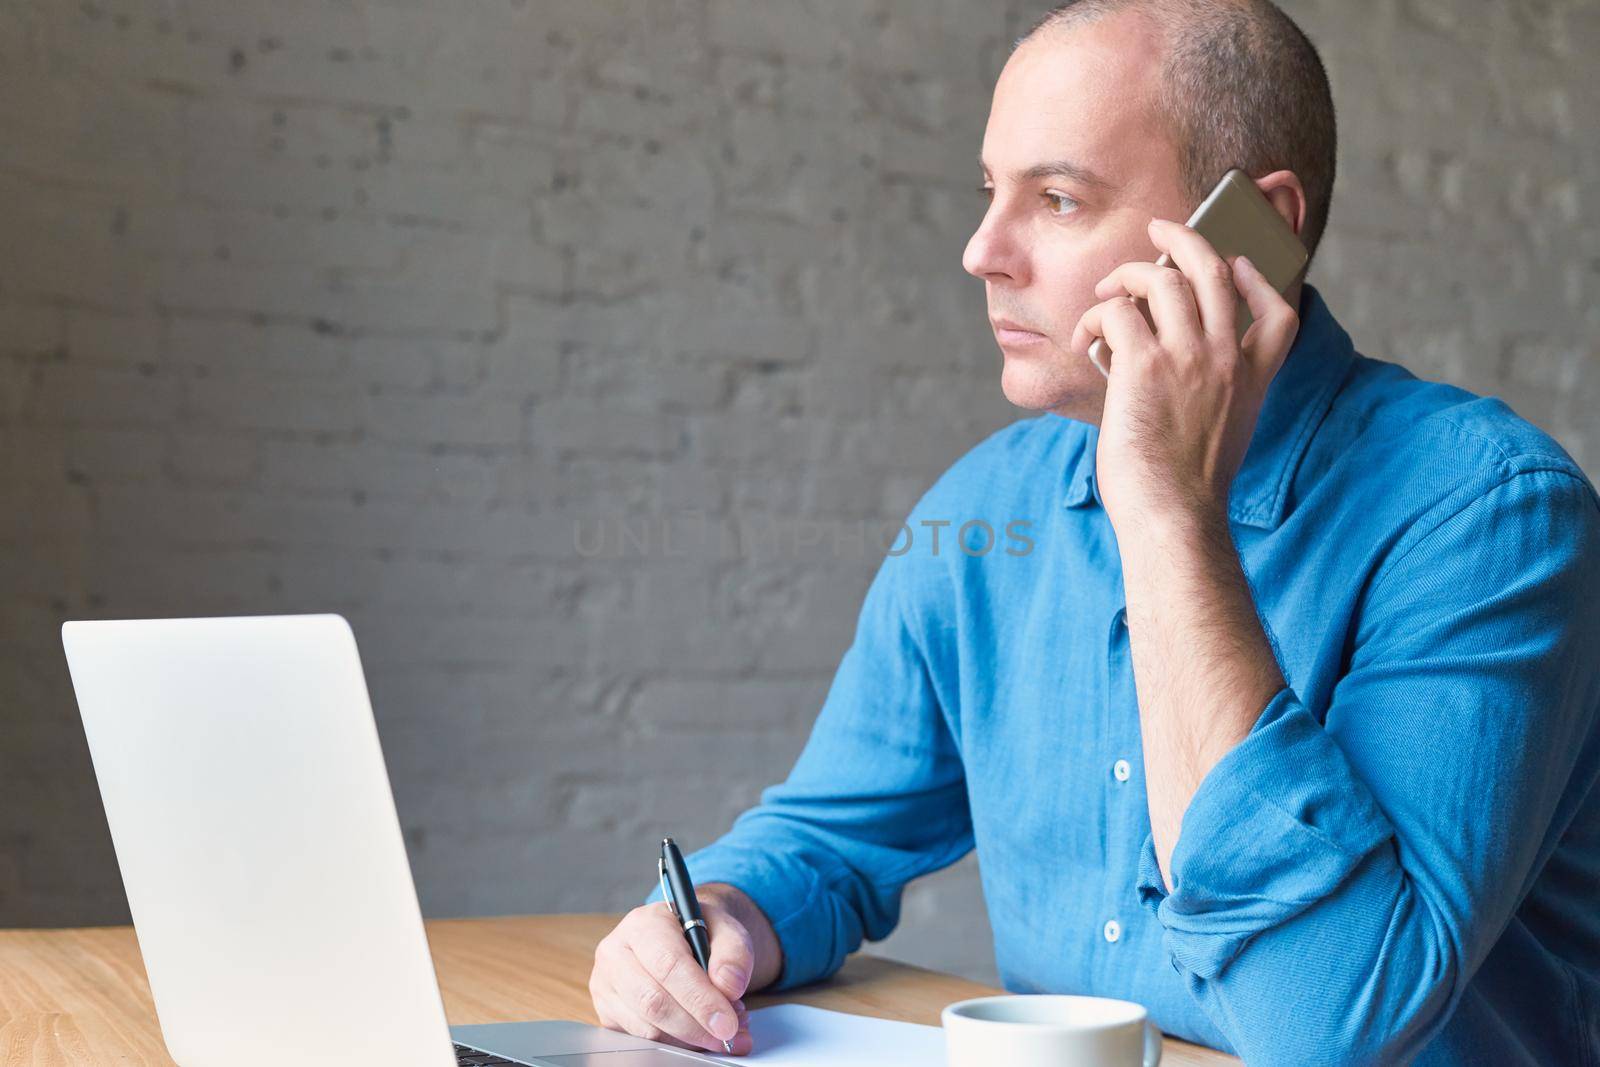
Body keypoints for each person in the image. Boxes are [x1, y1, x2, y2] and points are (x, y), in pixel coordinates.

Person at [587, 1, 1600, 1062]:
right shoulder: (983, 509)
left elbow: (1329, 1023)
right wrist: (717, 917)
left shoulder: (1493, 516)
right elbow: (829, 839)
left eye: (1058, 199)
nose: (983, 251)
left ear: (1255, 232)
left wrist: (1166, 511)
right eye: (990, 194)